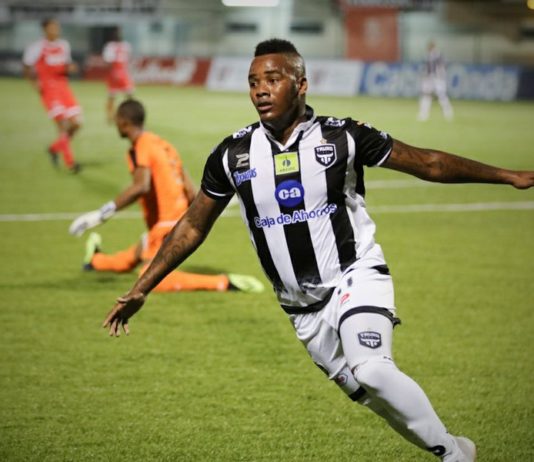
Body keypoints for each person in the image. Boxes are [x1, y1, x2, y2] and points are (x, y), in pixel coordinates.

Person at [102, 39, 534, 460]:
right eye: (253, 82)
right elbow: (193, 225)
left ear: (301, 84)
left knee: (373, 369)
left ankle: (454, 459)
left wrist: (508, 176)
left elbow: (429, 164)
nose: (261, 90)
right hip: (301, 310)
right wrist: (142, 287)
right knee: (374, 397)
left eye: (273, 79)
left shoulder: (344, 136)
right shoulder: (233, 154)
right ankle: (455, 448)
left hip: (354, 276)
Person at [68, 99, 263, 294]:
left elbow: (140, 186)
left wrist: (102, 214)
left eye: (116, 120)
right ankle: (95, 261)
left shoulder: (141, 147)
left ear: (123, 122)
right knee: (141, 251)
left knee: (151, 276)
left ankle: (224, 282)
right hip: (178, 220)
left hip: (167, 223)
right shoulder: (164, 145)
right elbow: (190, 190)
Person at [23, 18, 82, 173]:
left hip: (64, 88)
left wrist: (71, 67)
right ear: (45, 29)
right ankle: (70, 163)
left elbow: (66, 64)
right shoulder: (37, 47)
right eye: (53, 27)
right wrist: (34, 83)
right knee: (62, 125)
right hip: (49, 90)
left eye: (57, 27)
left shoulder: (64, 45)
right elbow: (27, 66)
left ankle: (54, 148)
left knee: (76, 124)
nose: (56, 30)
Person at [102, 26, 134, 124]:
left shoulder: (126, 45)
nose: (119, 34)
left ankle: (130, 115)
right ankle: (110, 116)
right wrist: (113, 72)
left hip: (124, 73)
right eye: (116, 32)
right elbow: (107, 61)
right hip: (114, 73)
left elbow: (128, 59)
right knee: (112, 96)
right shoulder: (110, 46)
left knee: (129, 95)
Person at [417, 41, 454, 121]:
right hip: (430, 79)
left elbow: (443, 66)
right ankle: (424, 114)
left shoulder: (438, 56)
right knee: (427, 95)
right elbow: (426, 69)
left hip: (437, 79)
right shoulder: (430, 56)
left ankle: (447, 112)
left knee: (441, 96)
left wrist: (440, 75)